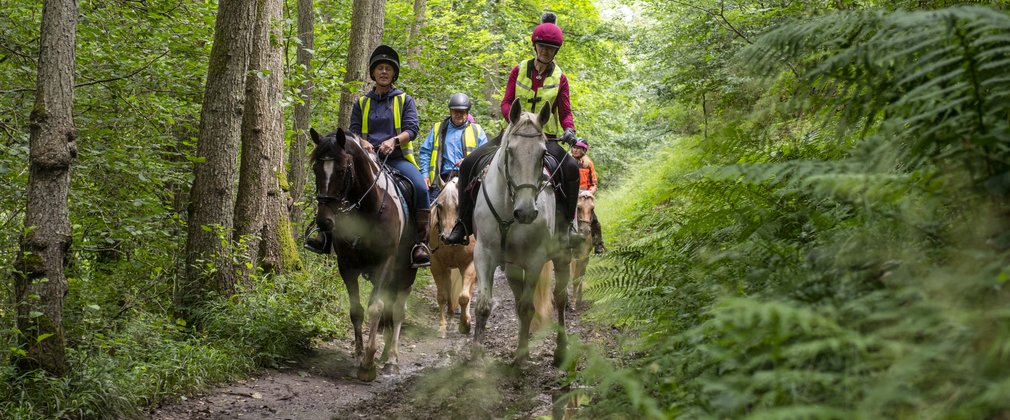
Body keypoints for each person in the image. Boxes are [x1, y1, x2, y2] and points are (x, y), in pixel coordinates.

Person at [441, 12, 582, 246]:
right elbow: (506, 102)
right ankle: (463, 225)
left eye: (550, 48)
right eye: (542, 46)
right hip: (513, 134)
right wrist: (514, 119)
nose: (545, 51)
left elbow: (565, 111)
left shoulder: (561, 78)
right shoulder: (518, 70)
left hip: (545, 138)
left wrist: (569, 129)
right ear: (535, 46)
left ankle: (568, 228)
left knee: (570, 168)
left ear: (555, 52)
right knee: (468, 164)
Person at [305, 45, 432, 268]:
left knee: (421, 189)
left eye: (388, 69)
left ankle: (419, 244)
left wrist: (393, 141)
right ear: (373, 73)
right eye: (380, 68)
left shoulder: (404, 100)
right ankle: (325, 236)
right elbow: (352, 130)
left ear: (394, 74)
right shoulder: (362, 103)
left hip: (397, 159)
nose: (384, 72)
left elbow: (412, 128)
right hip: (367, 160)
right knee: (338, 184)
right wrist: (362, 142)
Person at [419, 93, 489, 205]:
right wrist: (425, 175)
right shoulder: (438, 129)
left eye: (462, 111)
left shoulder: (477, 131)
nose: (458, 114)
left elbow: (485, 156)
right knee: (428, 209)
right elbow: (425, 152)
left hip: (468, 181)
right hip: (442, 180)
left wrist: (468, 161)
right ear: (450, 111)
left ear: (467, 113)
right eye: (455, 111)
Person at [571, 139, 606, 254]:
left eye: (578, 148)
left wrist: (589, 193)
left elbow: (594, 183)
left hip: (585, 195)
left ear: (583, 150)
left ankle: (598, 243)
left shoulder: (588, 164)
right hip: (571, 194)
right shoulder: (567, 161)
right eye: (574, 147)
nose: (575, 150)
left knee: (594, 219)